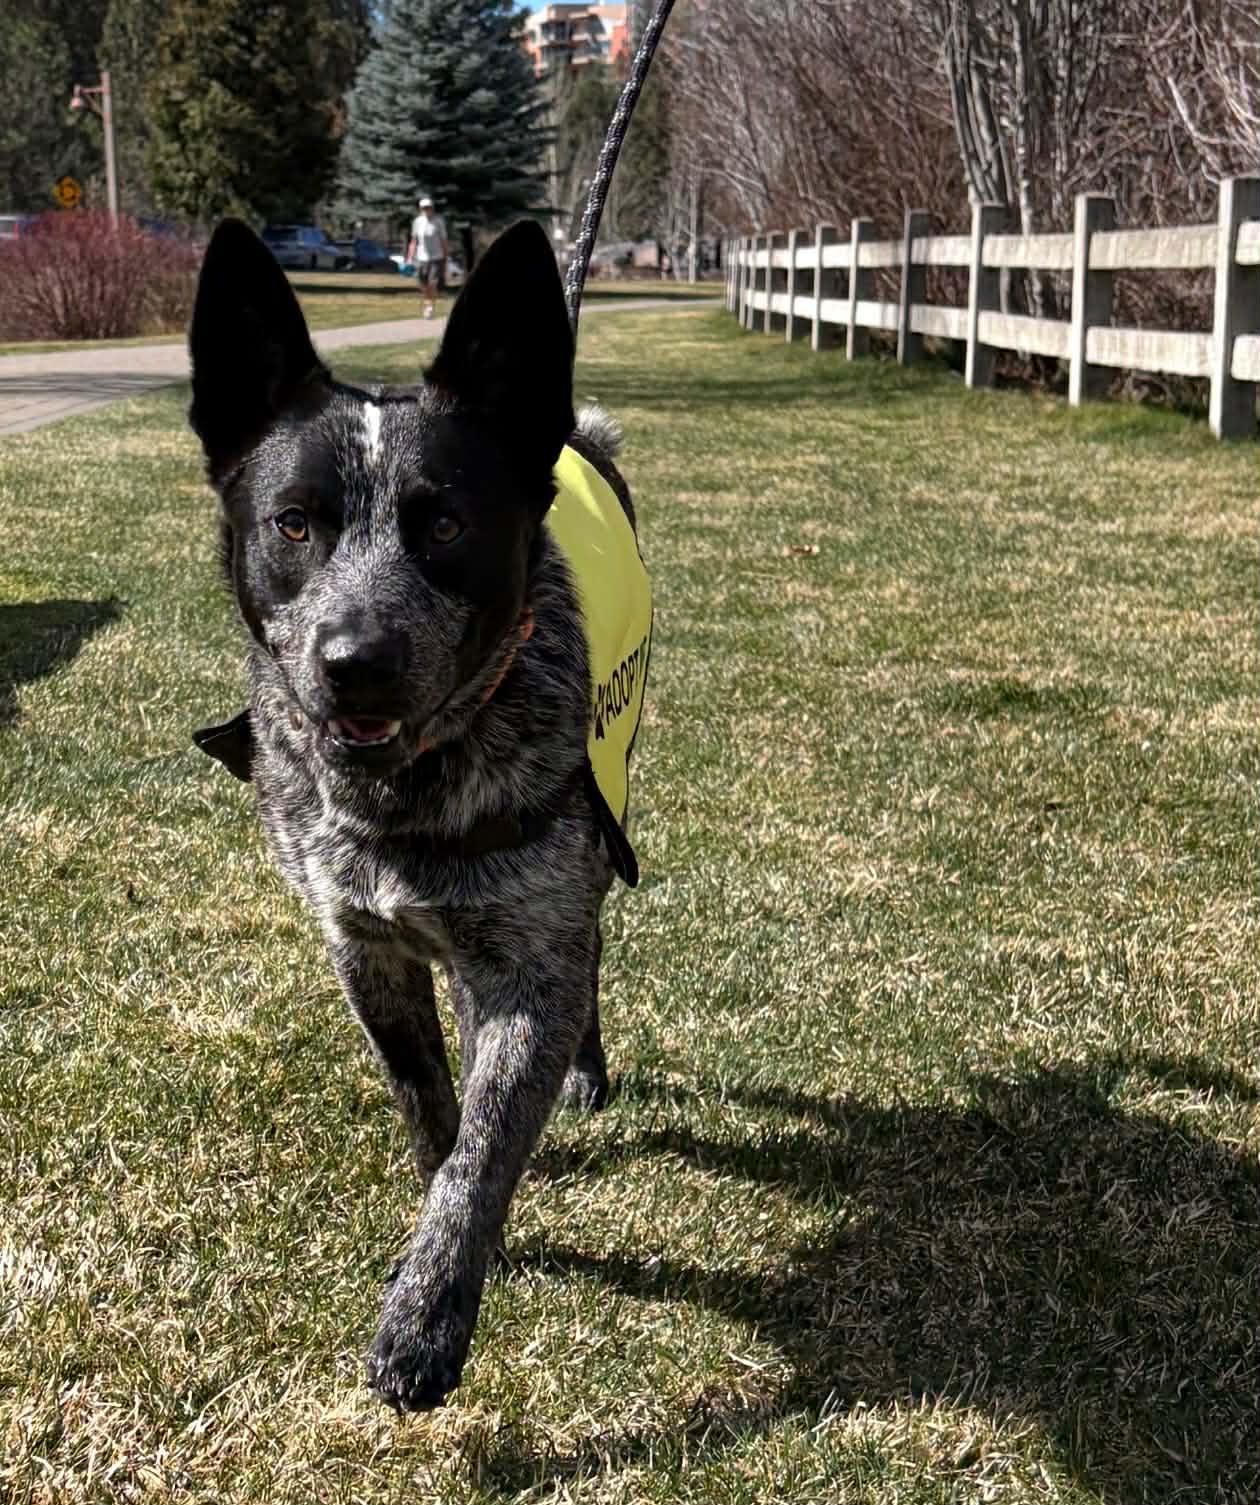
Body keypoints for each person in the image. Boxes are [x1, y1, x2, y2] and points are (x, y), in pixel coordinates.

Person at [408, 196, 448, 318]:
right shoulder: (417, 222)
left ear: (432, 208)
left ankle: (430, 306)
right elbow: (414, 241)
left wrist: (446, 257)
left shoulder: (438, 222)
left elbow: (443, 240)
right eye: (424, 208)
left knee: (433, 282)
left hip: (436, 256)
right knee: (422, 283)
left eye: (429, 207)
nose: (427, 210)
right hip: (421, 257)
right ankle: (427, 300)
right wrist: (409, 257)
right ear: (421, 209)